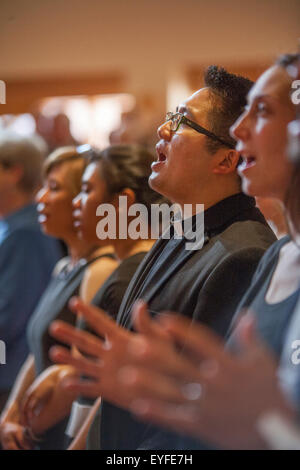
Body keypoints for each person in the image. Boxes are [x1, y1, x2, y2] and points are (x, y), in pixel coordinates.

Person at [58, 53, 300, 450]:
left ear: (226, 159)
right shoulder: (180, 230)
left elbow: (195, 424)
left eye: (182, 121)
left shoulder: (244, 254)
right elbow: (123, 387)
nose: (163, 129)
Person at [15, 144, 164, 450]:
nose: (77, 205)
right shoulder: (130, 265)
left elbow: (105, 386)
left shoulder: (128, 272)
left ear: (122, 204)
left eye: (85, 191)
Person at [0, 145, 118, 450]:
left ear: (84, 198)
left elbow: (81, 375)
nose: (40, 198)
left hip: (57, 432)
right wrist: (10, 413)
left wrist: (27, 431)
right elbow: (34, 351)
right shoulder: (65, 266)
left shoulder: (101, 269)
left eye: (54, 188)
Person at [0, 131, 62, 412]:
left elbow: (11, 317)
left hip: (10, 379)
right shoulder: (12, 225)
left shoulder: (26, 232)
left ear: (13, 172)